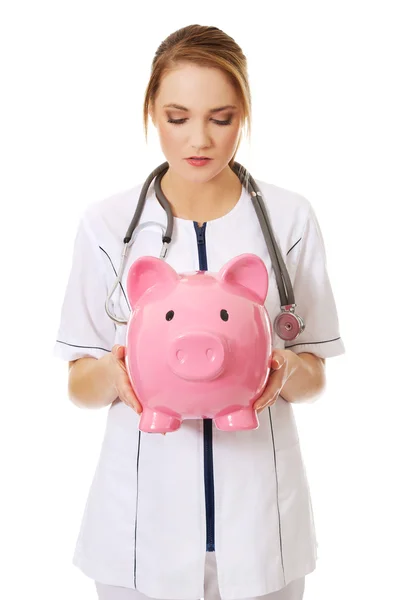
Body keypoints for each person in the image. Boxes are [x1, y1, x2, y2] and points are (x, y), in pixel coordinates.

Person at [54, 24, 345, 600]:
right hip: (140, 525)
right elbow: (78, 383)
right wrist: (119, 372)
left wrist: (284, 369)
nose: (200, 140)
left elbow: (314, 372)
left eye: (222, 117)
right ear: (151, 113)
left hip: (262, 523)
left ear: (244, 116)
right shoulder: (108, 226)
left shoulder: (288, 221)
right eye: (177, 116)